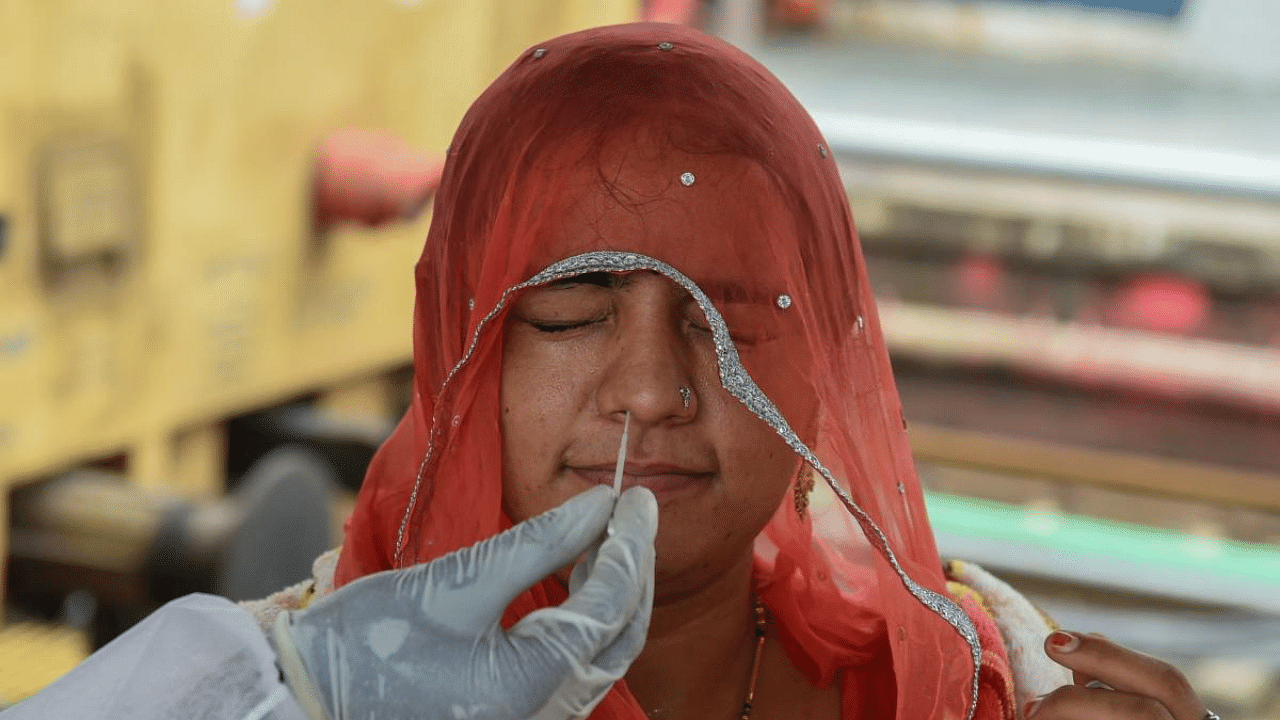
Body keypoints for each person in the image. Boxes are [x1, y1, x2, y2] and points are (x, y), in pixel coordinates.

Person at [6, 21, 1217, 720]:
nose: (649, 390)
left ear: (821, 373)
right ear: (457, 356)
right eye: (569, 313)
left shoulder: (970, 684)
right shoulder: (294, 687)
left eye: (730, 319)